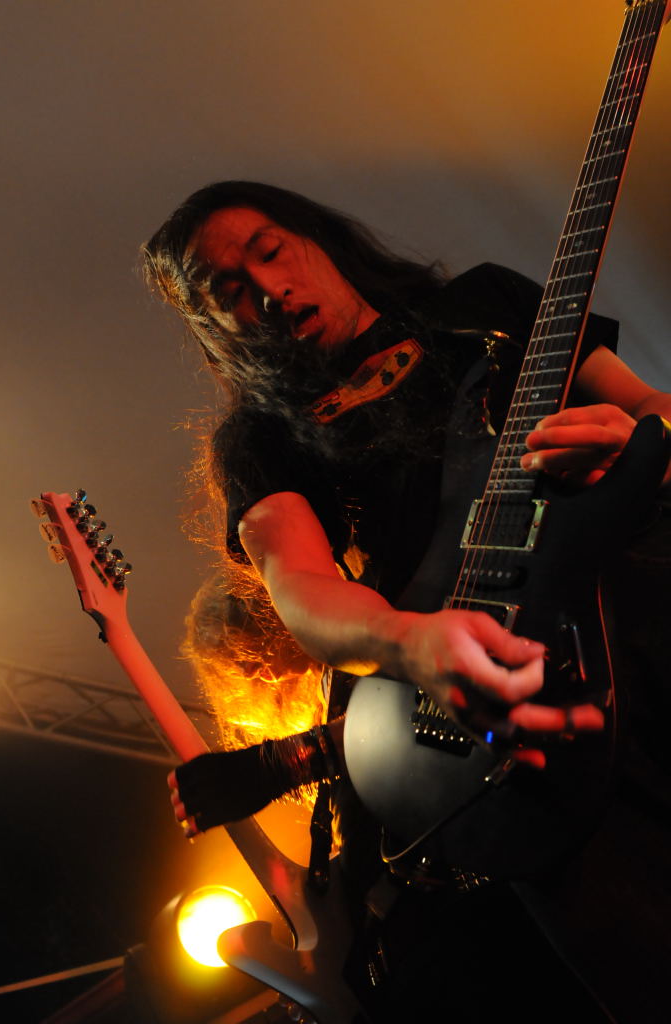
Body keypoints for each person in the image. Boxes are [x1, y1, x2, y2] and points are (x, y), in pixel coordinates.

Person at [143, 181, 671, 1022]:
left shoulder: (485, 306)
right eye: (229, 292)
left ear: (317, 236)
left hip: (639, 617)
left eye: (270, 251)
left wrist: (647, 438)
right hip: (493, 719)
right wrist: (407, 641)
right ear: (214, 327)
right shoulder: (261, 438)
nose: (268, 290)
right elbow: (302, 587)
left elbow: (652, 409)